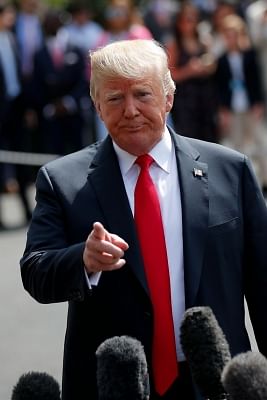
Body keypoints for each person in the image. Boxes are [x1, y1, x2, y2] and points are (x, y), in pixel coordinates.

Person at [20, 39, 267, 400]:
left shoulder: (230, 170)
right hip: (115, 383)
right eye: (115, 98)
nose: (131, 110)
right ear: (97, 106)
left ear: (168, 98)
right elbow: (35, 272)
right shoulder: (63, 181)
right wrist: (83, 260)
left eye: (143, 94)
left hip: (215, 380)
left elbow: (262, 282)